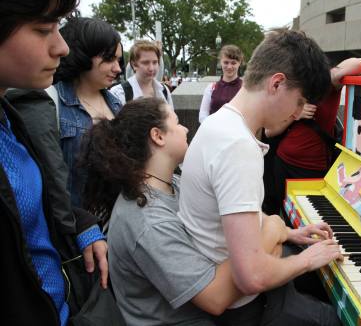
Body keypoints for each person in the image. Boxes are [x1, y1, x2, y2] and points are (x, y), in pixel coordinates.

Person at [79, 97, 323, 325]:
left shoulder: (170, 183)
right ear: (158, 136)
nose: (185, 129)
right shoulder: (146, 221)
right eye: (176, 122)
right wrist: (272, 231)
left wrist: (288, 234)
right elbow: (216, 298)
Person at [178, 29, 344, 325]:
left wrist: (291, 234)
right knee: (333, 317)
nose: (297, 115)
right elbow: (251, 277)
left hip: (239, 280)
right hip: (247, 308)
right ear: (277, 84)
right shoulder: (237, 146)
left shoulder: (220, 124)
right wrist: (307, 259)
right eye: (299, 102)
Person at [0, 0, 109, 325]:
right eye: (44, 28)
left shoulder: (9, 118)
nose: (61, 47)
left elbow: (26, 207)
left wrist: (79, 224)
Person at [265, 58, 361, 218]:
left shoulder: (327, 83)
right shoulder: (292, 87)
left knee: (310, 218)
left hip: (312, 168)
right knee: (282, 215)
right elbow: (269, 131)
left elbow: (359, 63)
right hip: (283, 162)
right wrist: (296, 114)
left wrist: (329, 74)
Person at [53, 17, 123, 208]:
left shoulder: (117, 104)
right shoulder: (52, 103)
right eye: (109, 59)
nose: (117, 68)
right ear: (83, 54)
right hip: (78, 224)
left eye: (118, 60)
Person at [110, 40, 174, 108]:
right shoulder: (119, 93)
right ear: (134, 64)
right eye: (145, 63)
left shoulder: (164, 90)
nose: (151, 68)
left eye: (155, 62)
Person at [198, 44, 244, 123]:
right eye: (226, 62)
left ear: (239, 63)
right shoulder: (211, 88)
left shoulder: (245, 88)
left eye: (233, 63)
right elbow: (203, 115)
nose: (229, 67)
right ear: (220, 62)